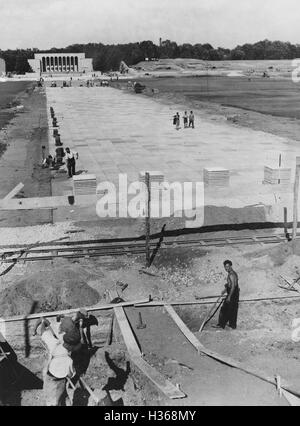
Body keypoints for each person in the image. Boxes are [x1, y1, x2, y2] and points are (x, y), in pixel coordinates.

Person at [33, 318, 76, 406]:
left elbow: (44, 328)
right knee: (56, 397)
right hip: (57, 377)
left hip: (53, 376)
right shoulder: (68, 359)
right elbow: (72, 374)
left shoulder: (53, 341)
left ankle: (60, 401)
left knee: (55, 397)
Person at [216, 260, 240, 330]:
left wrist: (229, 296)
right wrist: (225, 290)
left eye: (227, 266)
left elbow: (233, 286)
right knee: (232, 309)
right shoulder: (233, 273)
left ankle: (221, 324)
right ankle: (232, 325)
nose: (226, 268)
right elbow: (231, 285)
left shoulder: (231, 275)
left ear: (230, 266)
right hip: (234, 293)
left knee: (224, 309)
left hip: (232, 294)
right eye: (225, 267)